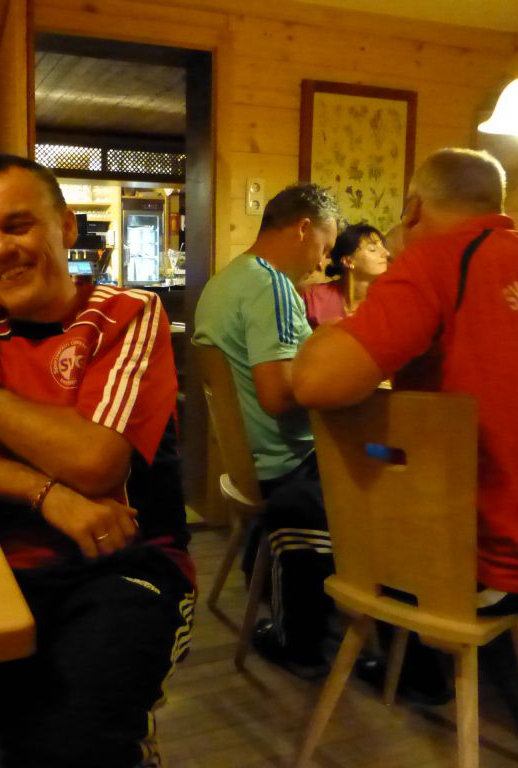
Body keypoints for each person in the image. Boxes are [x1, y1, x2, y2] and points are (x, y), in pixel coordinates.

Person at [0, 154, 194, 768]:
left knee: (64, 747)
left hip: (121, 569)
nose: (0, 250)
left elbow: (95, 462)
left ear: (66, 226)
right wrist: (46, 494)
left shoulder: (127, 314)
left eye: (17, 225)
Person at [293, 148, 518, 693]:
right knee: (399, 471)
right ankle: (418, 670)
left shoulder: (437, 261)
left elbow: (313, 383)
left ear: (414, 208)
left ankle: (343, 655)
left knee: (307, 499)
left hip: (483, 570)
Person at [193, 183, 339, 679]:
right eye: (325, 246)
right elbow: (277, 396)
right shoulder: (270, 285)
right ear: (303, 228)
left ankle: (286, 582)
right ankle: (330, 631)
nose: (323, 262)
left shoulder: (225, 281)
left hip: (252, 461)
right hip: (287, 463)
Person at [302, 222, 389, 328]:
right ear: (347, 261)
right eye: (372, 249)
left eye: (383, 246)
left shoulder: (389, 304)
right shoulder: (313, 299)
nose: (386, 253)